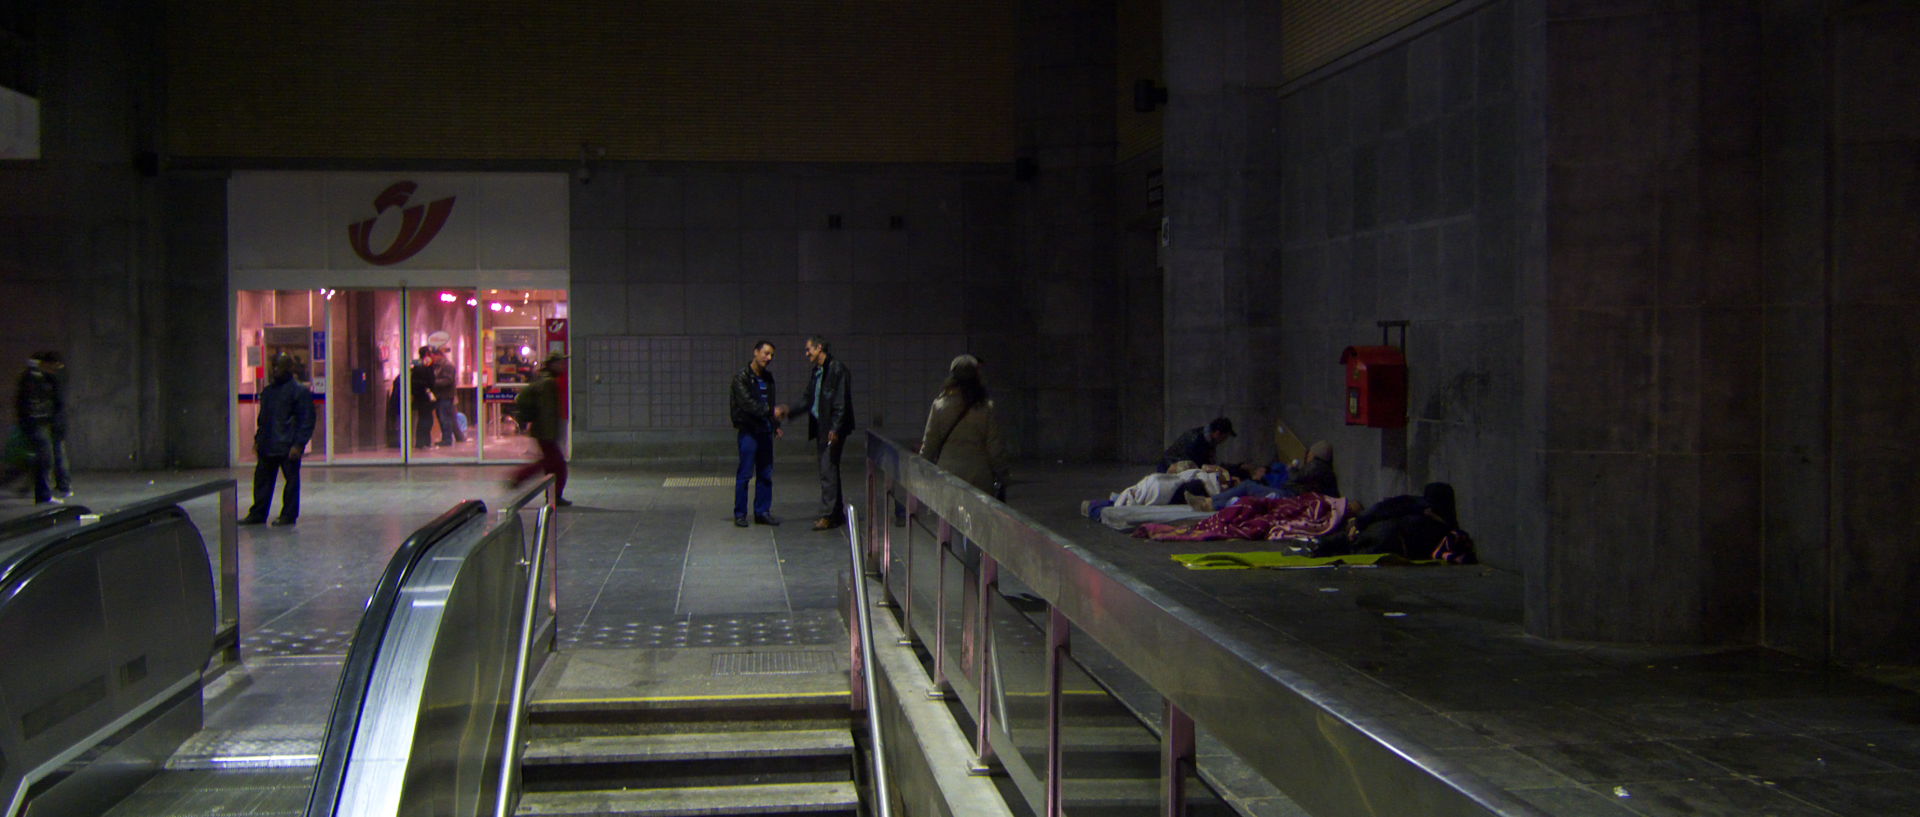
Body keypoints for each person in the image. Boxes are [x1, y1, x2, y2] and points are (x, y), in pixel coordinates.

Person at [241, 353, 315, 526]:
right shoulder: (269, 392)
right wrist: (258, 439)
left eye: (279, 366)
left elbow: (306, 420)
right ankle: (258, 513)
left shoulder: (299, 392)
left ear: (289, 368)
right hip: (268, 443)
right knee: (262, 481)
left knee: (290, 482)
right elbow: (263, 419)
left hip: (287, 445)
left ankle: (288, 515)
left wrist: (298, 444)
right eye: (273, 366)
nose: (275, 370)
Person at [919, 355, 1007, 495]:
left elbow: (930, 441)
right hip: (979, 475)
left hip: (948, 473)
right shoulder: (985, 407)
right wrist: (1002, 474)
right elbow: (994, 446)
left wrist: (920, 469)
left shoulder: (940, 405)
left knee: (949, 514)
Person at [795, 335, 854, 531]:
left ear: (819, 348)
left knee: (827, 469)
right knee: (830, 469)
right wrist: (789, 411)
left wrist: (835, 428)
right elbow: (808, 399)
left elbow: (840, 401)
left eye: (808, 349)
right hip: (822, 427)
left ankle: (828, 515)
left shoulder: (836, 369)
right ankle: (835, 512)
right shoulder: (818, 372)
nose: (806, 354)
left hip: (831, 428)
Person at [729, 340, 786, 527]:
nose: (768, 358)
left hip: (765, 431)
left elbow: (769, 402)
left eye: (771, 355)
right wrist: (771, 413)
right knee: (745, 473)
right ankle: (740, 513)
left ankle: (762, 511)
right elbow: (748, 405)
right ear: (755, 352)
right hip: (749, 431)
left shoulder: (768, 378)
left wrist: (774, 424)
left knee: (765, 473)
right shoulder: (741, 378)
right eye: (766, 353)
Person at [508, 353, 572, 507]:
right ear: (552, 364)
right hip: (545, 432)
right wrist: (551, 434)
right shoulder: (548, 383)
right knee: (557, 466)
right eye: (560, 363)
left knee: (551, 465)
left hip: (544, 431)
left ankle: (552, 495)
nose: (563, 366)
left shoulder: (543, 380)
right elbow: (547, 411)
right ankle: (519, 477)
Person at [14, 351, 70, 504]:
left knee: (44, 457)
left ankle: (42, 492)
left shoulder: (43, 378)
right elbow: (33, 401)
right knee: (45, 457)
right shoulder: (35, 378)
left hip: (39, 422)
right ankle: (43, 494)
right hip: (36, 422)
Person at [1158, 416, 1235, 472]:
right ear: (1217, 433)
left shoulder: (1208, 440)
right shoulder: (1197, 440)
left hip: (1177, 466)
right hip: (1170, 467)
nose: (1224, 441)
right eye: (1224, 437)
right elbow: (1196, 464)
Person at [430, 347, 464, 446]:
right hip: (439, 396)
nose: (432, 358)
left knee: (445, 418)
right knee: (442, 417)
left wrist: (433, 383)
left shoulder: (447, 366)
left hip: (446, 396)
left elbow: (448, 380)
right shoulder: (437, 366)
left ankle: (447, 439)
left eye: (433, 356)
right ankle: (447, 438)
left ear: (439, 355)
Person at [409, 346, 435, 448]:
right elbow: (430, 381)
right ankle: (423, 441)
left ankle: (424, 441)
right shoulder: (426, 365)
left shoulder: (417, 364)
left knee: (423, 418)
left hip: (420, 395)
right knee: (426, 419)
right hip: (424, 395)